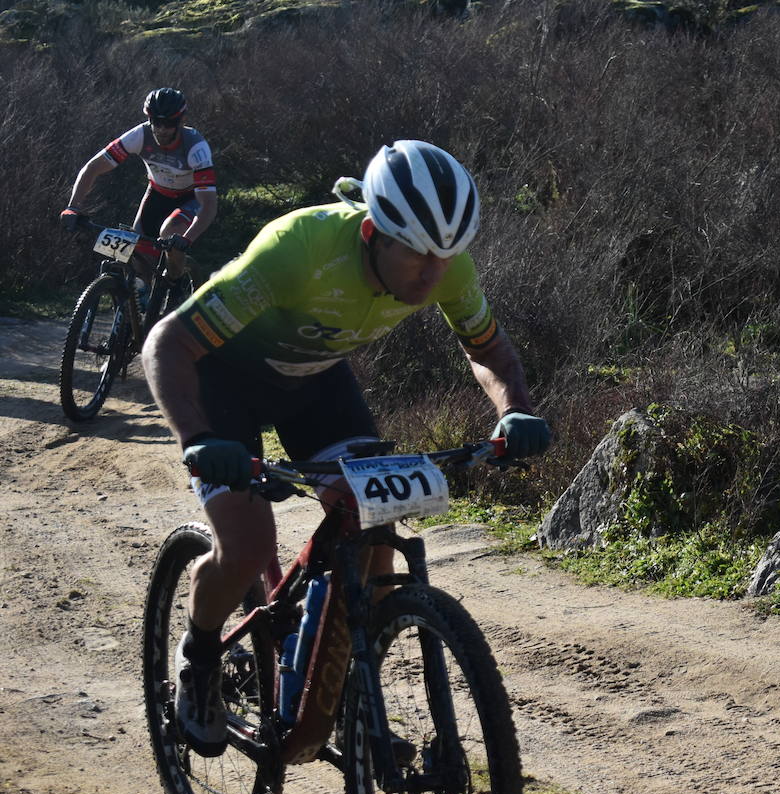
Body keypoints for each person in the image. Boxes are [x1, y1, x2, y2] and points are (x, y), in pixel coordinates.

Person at [142, 139, 551, 756]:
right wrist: (198, 439)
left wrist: (514, 409)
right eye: (418, 255)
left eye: (448, 255)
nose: (435, 274)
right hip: (224, 382)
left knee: (372, 523)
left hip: (314, 381)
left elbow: (487, 350)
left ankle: (350, 693)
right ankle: (198, 658)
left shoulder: (445, 265)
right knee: (248, 546)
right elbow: (168, 343)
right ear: (372, 232)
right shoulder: (299, 250)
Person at [60, 87, 216, 306]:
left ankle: (176, 287)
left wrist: (186, 239)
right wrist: (73, 206)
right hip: (157, 194)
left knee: (170, 233)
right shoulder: (140, 135)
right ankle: (136, 318)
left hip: (189, 199)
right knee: (138, 256)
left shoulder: (196, 147)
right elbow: (93, 168)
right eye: (156, 122)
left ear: (181, 121)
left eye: (168, 124)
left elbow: (208, 205)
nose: (161, 129)